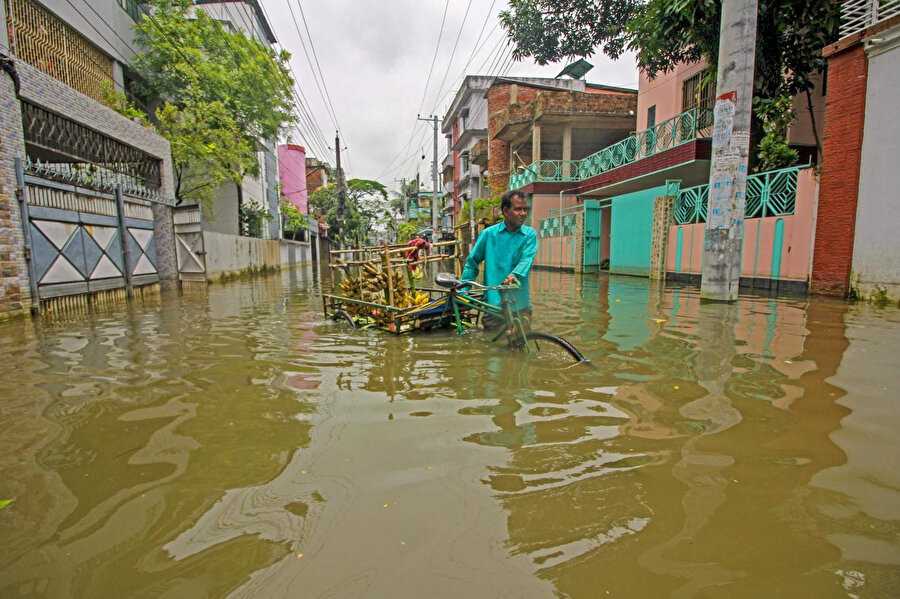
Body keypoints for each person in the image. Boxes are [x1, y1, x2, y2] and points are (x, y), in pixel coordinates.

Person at [461, 189, 537, 327]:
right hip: (493, 305)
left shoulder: (529, 235)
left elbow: (526, 259)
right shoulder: (488, 235)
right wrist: (464, 288)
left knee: (522, 344)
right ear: (506, 211)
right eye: (518, 209)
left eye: (525, 209)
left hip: (520, 304)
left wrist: (514, 275)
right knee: (492, 346)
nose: (523, 213)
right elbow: (472, 262)